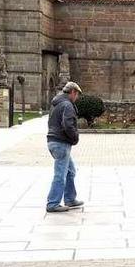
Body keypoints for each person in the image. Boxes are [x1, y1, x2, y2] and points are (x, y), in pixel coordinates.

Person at [46, 82, 84, 212]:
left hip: (53, 141)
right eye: (77, 94)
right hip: (61, 142)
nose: (77, 97)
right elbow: (68, 124)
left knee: (70, 171)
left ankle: (70, 199)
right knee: (60, 174)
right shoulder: (67, 105)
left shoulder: (56, 104)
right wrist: (75, 137)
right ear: (73, 92)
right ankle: (53, 203)